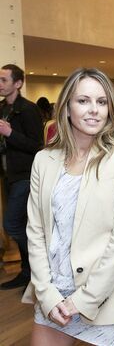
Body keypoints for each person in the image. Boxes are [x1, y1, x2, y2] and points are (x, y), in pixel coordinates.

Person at [22, 68, 114, 346]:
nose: (94, 110)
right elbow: (36, 231)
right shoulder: (44, 159)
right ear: (66, 107)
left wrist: (85, 299)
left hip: (105, 295)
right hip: (52, 293)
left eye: (101, 102)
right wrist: (47, 294)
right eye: (83, 101)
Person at [0, 64, 44, 290]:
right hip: (8, 176)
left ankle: (40, 265)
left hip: (25, 176)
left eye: (4, 80)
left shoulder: (27, 109)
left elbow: (37, 146)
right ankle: (27, 274)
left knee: (12, 225)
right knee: (23, 226)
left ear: (17, 83)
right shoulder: (2, 108)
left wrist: (10, 134)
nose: (0, 83)